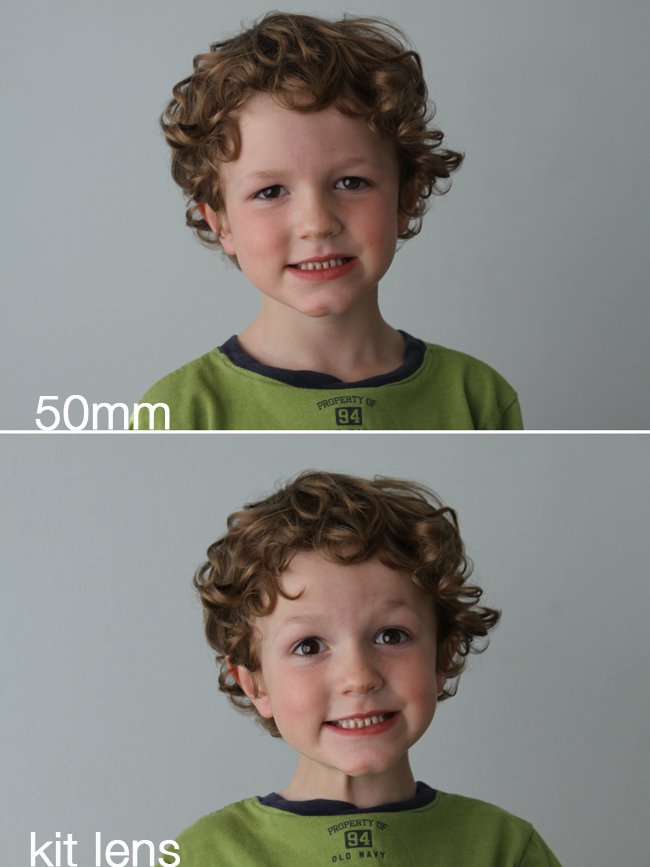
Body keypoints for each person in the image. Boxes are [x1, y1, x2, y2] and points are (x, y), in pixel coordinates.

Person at [131, 13, 522, 430]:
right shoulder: (177, 411)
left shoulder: (477, 397)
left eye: (351, 182)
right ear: (220, 223)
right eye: (270, 192)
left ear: (406, 199)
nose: (317, 224)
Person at [161, 471, 560, 865]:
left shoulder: (504, 850)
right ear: (254, 685)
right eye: (309, 646)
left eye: (391, 636)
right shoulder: (205, 856)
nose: (359, 678)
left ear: (442, 656)